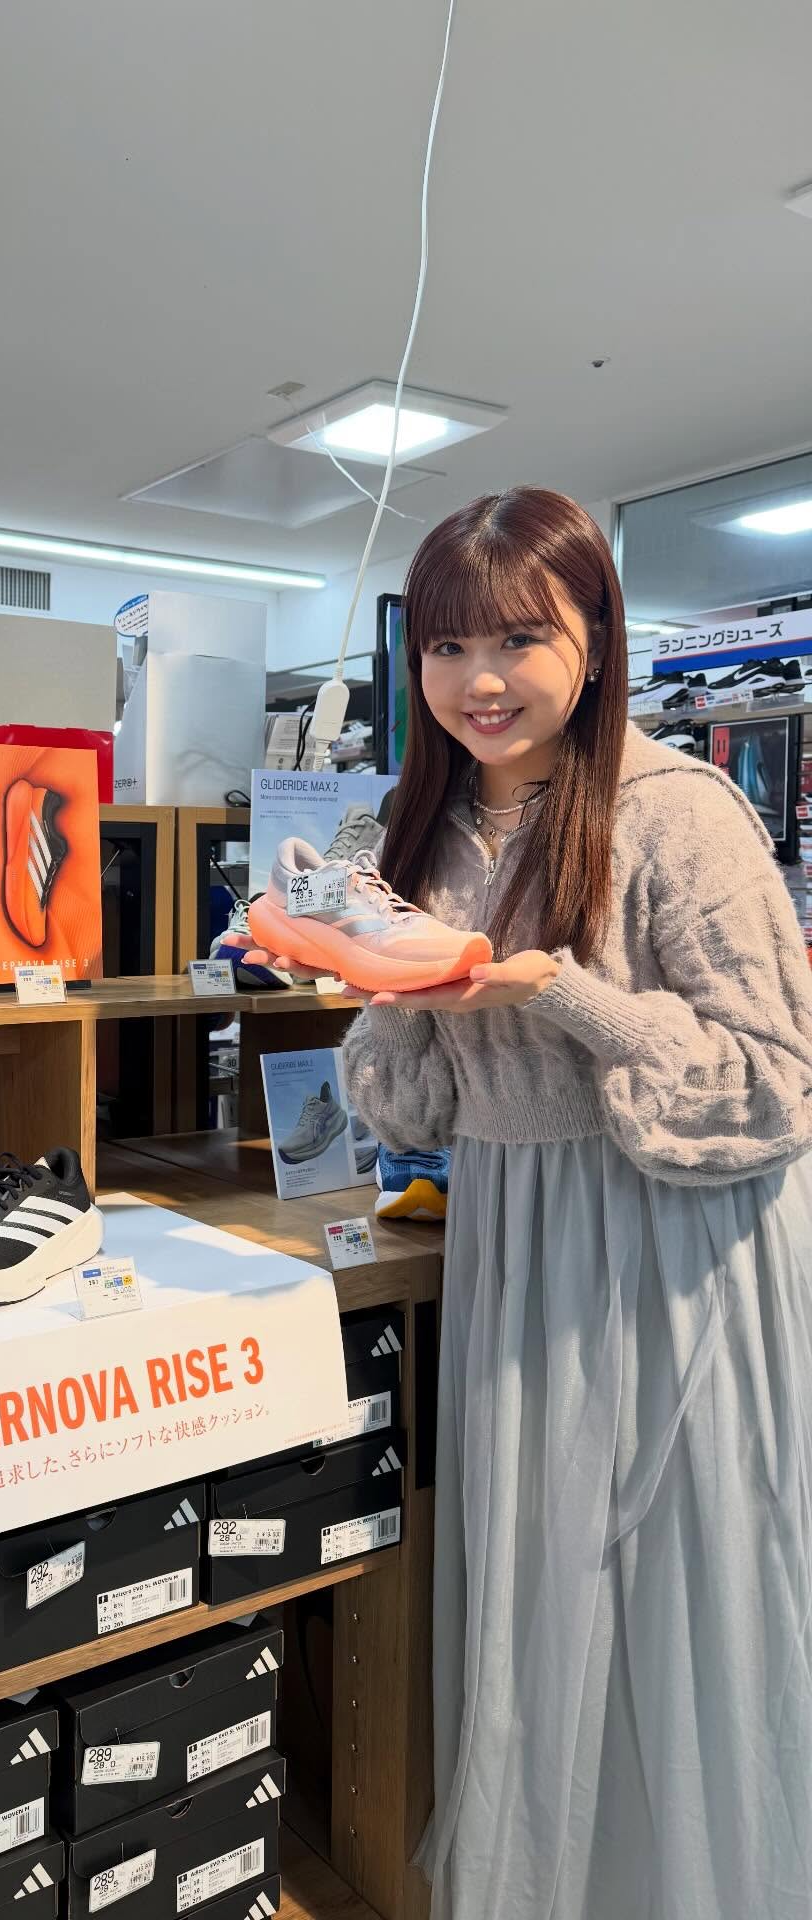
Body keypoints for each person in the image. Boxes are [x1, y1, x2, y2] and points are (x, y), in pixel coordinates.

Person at [336, 488, 812, 1919]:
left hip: (675, 1242)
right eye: (446, 647)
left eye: (518, 640)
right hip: (515, 1239)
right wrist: (390, 985)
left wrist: (566, 995)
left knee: (683, 1580)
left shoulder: (682, 813)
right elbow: (405, 1109)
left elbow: (774, 1080)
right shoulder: (412, 825)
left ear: (595, 640)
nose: (480, 681)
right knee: (540, 1580)